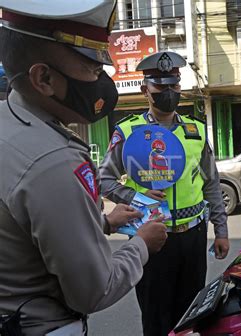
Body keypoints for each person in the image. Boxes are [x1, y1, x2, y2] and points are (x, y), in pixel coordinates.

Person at [0, 1, 169, 335]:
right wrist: (141, 246)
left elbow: (25, 233)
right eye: (92, 70)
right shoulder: (53, 162)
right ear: (43, 78)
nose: (101, 81)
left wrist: (103, 222)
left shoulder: (10, 125)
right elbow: (94, 290)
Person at [99, 51, 230, 335]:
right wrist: (137, 197)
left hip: (193, 238)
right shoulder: (129, 132)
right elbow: (104, 180)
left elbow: (211, 185)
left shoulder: (195, 132)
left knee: (191, 316)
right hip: (151, 238)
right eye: (161, 87)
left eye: (174, 85)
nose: (169, 93)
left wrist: (221, 230)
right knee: (156, 318)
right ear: (145, 89)